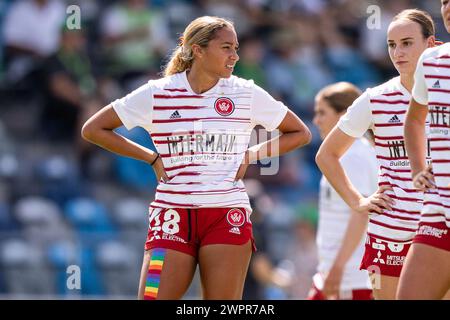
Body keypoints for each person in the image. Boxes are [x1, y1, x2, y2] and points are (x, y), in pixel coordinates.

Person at [81, 16, 311, 300]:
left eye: (236, 48)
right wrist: (151, 157)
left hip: (227, 215)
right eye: (226, 47)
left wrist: (252, 154)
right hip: (170, 217)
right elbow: (93, 129)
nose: (235, 56)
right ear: (197, 49)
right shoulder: (158, 92)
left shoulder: (245, 92)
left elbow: (300, 133)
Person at [315, 9, 436, 299]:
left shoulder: (445, 92)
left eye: (407, 43)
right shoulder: (375, 98)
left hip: (438, 227)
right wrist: (358, 201)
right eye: (392, 45)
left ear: (430, 45)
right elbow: (326, 155)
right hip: (389, 232)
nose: (398, 52)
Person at [399, 0, 450, 300]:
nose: (448, 7)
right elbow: (414, 121)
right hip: (438, 206)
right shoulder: (431, 60)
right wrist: (418, 169)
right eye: (444, 1)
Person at [309, 82, 378, 300]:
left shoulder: (354, 154)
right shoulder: (345, 152)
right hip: (334, 274)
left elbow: (362, 213)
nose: (316, 120)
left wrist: (338, 268)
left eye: (322, 112)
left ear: (344, 115)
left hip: (350, 279)